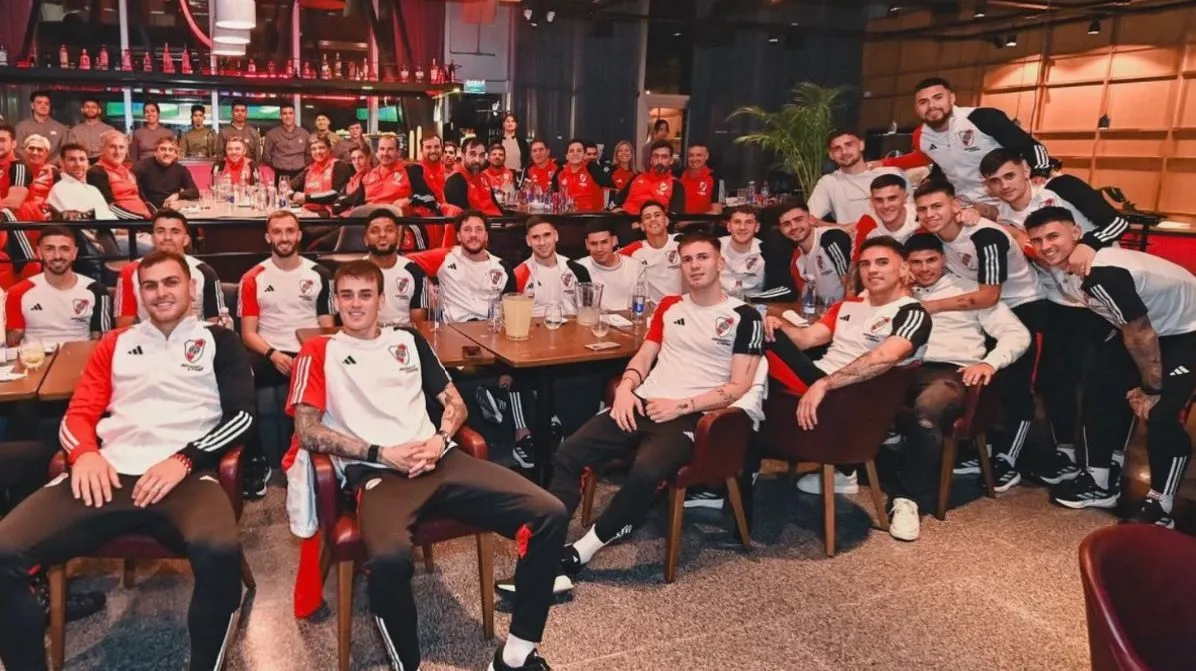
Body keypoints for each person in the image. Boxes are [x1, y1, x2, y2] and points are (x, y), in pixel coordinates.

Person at [286, 263, 570, 671]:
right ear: (335, 302)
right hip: (378, 471)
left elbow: (455, 403)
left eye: (365, 294)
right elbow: (308, 430)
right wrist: (381, 453)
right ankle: (407, 664)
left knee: (549, 513)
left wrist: (439, 440)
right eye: (346, 295)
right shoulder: (320, 350)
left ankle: (516, 654)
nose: (355, 303)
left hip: (439, 459)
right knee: (387, 559)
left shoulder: (408, 340)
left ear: (382, 300)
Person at [0, 249, 255, 671]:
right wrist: (83, 454)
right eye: (150, 286)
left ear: (191, 288)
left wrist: (186, 459)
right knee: (5, 549)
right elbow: (78, 415)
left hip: (184, 476)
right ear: (139, 294)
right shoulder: (116, 343)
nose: (161, 293)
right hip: (109, 471)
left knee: (219, 550)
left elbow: (242, 417)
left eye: (171, 282)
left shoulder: (219, 341)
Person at [542, 230, 763, 581]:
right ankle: (547, 541)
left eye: (702, 257)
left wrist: (682, 405)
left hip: (691, 416)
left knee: (644, 472)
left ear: (720, 263)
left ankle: (581, 552)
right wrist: (627, 389)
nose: (694, 266)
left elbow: (739, 386)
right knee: (570, 451)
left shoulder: (744, 316)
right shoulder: (669, 307)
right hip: (643, 404)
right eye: (687, 259)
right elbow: (645, 355)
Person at [1026, 207, 1196, 528]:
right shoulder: (1070, 270)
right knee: (1099, 388)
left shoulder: (1100, 274)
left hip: (1186, 331)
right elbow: (1125, 327)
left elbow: (1141, 333)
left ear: (1076, 233)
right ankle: (1100, 482)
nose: (1046, 246)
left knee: (1159, 413)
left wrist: (1150, 387)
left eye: (1053, 236)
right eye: (1037, 240)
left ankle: (1161, 504)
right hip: (1150, 328)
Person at [978, 147, 1131, 483]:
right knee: (1055, 380)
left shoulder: (1062, 189)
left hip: (1104, 296)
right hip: (1058, 300)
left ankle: (1113, 458)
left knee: (1106, 382)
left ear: (1024, 169)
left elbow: (1119, 221)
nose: (1005, 185)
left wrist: (1089, 244)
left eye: (1009, 175)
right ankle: (1065, 453)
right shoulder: (1000, 215)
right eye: (995, 181)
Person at [888, 233, 1030, 540]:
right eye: (916, 262)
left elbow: (1017, 334)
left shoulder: (970, 292)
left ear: (944, 259)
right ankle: (843, 473)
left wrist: (989, 363)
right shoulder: (894, 291)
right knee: (852, 393)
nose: (925, 268)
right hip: (899, 367)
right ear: (904, 264)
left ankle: (907, 500)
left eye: (932, 260)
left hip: (950, 372)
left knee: (927, 413)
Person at [914, 180, 1044, 491]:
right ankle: (975, 447)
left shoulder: (984, 236)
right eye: (923, 209)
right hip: (976, 301)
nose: (930, 214)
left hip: (1019, 302)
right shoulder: (937, 238)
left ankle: (1008, 460)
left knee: (1014, 385)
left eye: (937, 207)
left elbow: (988, 296)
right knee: (978, 375)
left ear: (954, 205)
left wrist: (931, 306)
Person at [238, 211, 334, 498]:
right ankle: (255, 462)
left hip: (310, 351)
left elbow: (327, 328)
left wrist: (307, 355)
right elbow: (248, 333)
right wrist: (273, 354)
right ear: (268, 237)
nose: (284, 237)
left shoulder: (320, 275)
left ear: (299, 235)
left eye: (290, 231)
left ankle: (325, 458)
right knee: (240, 380)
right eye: (277, 232)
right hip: (269, 351)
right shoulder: (253, 277)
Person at [876, 77, 1051, 206]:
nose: (931, 106)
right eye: (923, 102)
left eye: (938, 98)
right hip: (966, 205)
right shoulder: (921, 136)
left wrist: (1041, 173)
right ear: (917, 108)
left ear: (951, 98)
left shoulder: (982, 118)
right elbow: (929, 160)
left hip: (1007, 200)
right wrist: (883, 164)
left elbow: (1032, 146)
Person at [115, 209, 227, 328]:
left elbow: (217, 326)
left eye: (175, 232)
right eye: (160, 231)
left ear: (186, 239)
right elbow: (123, 329)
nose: (167, 237)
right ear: (152, 238)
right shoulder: (130, 271)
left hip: (195, 342)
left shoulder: (205, 272)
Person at [4, 226, 111, 346]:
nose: (57, 256)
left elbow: (102, 343)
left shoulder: (96, 290)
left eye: (64, 249)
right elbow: (12, 343)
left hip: (80, 359)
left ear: (74, 253)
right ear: (39, 253)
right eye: (49, 249)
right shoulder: (18, 292)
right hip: (35, 360)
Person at [409, 210, 515, 323]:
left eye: (479, 230)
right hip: (454, 330)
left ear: (486, 236)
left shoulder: (503, 268)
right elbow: (406, 261)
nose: (473, 235)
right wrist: (427, 285)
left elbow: (512, 309)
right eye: (467, 230)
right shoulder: (446, 257)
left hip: (489, 330)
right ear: (458, 236)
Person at [335, 134, 441, 224]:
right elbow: (355, 204)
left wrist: (409, 200)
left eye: (390, 149)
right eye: (382, 149)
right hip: (369, 224)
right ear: (377, 153)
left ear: (398, 152)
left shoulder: (411, 171)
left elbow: (430, 199)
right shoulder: (367, 177)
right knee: (326, 235)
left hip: (399, 224)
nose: (385, 153)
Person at [808, 130, 905, 225]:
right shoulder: (829, 183)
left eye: (849, 145)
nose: (844, 152)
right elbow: (809, 219)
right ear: (831, 155)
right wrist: (842, 228)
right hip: (853, 239)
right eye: (837, 148)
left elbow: (912, 211)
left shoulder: (892, 173)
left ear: (861, 145)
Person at [776, 198, 852, 306]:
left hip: (847, 313)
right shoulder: (797, 259)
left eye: (798, 220)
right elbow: (807, 296)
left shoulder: (831, 238)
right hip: (823, 312)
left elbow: (851, 286)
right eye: (787, 224)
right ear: (781, 230)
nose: (794, 227)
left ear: (810, 219)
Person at [361, 209, 429, 327]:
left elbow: (419, 326)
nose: (382, 235)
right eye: (375, 231)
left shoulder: (414, 272)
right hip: (365, 336)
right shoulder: (354, 272)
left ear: (398, 236)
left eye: (389, 230)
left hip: (403, 338)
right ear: (365, 239)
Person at [513, 217, 592, 316]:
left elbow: (588, 312)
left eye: (547, 235)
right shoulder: (518, 275)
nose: (542, 242)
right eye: (535, 237)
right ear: (528, 241)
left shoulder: (578, 270)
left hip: (572, 327)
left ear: (556, 236)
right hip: (535, 329)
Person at [719, 204, 794, 301]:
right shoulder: (714, 247)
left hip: (754, 304)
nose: (742, 227)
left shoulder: (768, 251)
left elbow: (788, 290)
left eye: (749, 222)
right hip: (717, 304)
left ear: (757, 227)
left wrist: (747, 299)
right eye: (737, 222)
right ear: (729, 226)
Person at [617, 201, 681, 302]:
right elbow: (607, 259)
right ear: (642, 226)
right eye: (647, 217)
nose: (653, 219)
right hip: (654, 311)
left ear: (666, 221)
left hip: (684, 308)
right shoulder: (636, 249)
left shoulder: (681, 242)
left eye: (657, 215)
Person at [851, 174, 922, 263]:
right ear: (872, 202)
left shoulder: (921, 216)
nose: (886, 206)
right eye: (879, 200)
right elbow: (857, 263)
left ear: (905, 198)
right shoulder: (868, 222)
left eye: (892, 198)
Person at [575, 219, 641, 311]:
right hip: (594, 322)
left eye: (604, 242)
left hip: (630, 321)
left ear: (614, 241)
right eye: (593, 244)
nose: (599, 249)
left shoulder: (635, 267)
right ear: (587, 244)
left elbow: (643, 305)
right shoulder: (578, 268)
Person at [86, 130, 152, 219]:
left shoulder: (129, 173)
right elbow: (109, 207)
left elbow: (144, 200)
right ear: (102, 149)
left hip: (145, 221)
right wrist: (141, 221)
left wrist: (157, 216)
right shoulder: (96, 173)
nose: (117, 152)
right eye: (112, 147)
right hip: (127, 225)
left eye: (121, 147)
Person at [612, 139, 686, 216]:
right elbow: (619, 202)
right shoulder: (637, 177)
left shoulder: (676, 185)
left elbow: (675, 217)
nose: (659, 161)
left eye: (664, 157)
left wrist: (640, 223)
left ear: (671, 160)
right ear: (650, 160)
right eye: (656, 156)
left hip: (653, 224)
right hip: (626, 219)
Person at [46, 143, 116, 221]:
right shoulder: (59, 189)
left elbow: (110, 218)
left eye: (82, 159)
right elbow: (75, 224)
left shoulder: (93, 190)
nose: (78, 164)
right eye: (72, 159)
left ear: (87, 163)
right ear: (62, 163)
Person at [287, 135, 352, 215]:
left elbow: (335, 194)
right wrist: (292, 195)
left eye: (321, 148)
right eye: (313, 149)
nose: (318, 152)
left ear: (329, 149)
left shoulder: (339, 166)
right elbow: (288, 186)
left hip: (331, 214)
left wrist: (306, 198)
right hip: (308, 212)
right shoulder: (309, 169)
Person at [134, 136, 200, 210]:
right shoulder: (142, 166)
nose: (167, 153)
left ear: (175, 154)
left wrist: (177, 196)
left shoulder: (181, 169)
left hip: (170, 210)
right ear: (155, 152)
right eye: (163, 149)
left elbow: (195, 192)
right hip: (147, 211)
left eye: (171, 150)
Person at [444, 138, 504, 217]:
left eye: (481, 155)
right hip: (482, 225)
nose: (477, 160)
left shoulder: (485, 177)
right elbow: (464, 218)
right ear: (462, 155)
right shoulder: (455, 180)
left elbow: (496, 207)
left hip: (499, 221)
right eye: (472, 154)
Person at [550, 138, 613, 213]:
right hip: (567, 216)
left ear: (584, 155)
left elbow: (612, 189)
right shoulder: (560, 173)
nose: (575, 153)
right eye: (571, 151)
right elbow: (555, 196)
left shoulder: (593, 169)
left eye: (579, 151)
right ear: (567, 156)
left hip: (590, 218)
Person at [262, 103, 310, 188]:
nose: (288, 116)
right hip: (280, 174)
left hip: (300, 174)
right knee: (280, 200)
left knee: (299, 199)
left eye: (290, 113)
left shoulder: (304, 133)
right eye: (284, 113)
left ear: (294, 115)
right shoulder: (272, 134)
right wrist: (276, 165)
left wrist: (302, 167)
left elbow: (309, 155)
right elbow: (266, 156)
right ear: (280, 115)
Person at [14, 90, 68, 160]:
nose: (43, 106)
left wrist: (50, 165)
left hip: (53, 167)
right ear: (32, 105)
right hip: (27, 166)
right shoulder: (21, 127)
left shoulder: (60, 128)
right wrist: (33, 163)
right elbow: (18, 149)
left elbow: (64, 151)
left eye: (46, 103)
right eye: (39, 103)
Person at [63, 97, 116, 161]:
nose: (90, 109)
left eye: (93, 107)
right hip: (81, 162)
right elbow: (70, 151)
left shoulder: (109, 130)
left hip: (104, 162)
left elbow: (113, 149)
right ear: (82, 110)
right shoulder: (75, 130)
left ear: (99, 110)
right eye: (87, 107)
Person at [679, 142, 723, 215]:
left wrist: (689, 221)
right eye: (691, 155)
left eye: (699, 155)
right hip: (677, 223)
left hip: (704, 225)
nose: (694, 159)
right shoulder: (678, 176)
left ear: (706, 156)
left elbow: (717, 212)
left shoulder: (719, 179)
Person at [416, 134, 448, 202]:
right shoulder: (416, 172)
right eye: (428, 147)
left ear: (441, 148)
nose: (433, 151)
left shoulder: (447, 170)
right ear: (421, 150)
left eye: (437, 147)